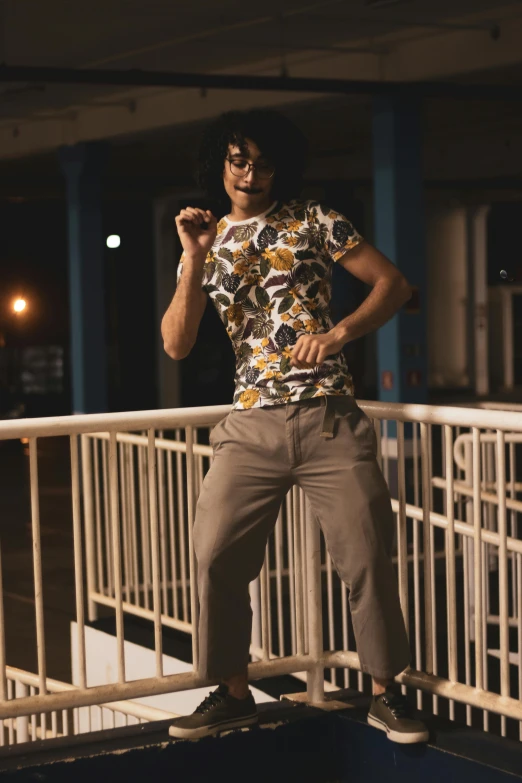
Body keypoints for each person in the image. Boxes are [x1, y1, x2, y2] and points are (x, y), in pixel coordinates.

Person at [162, 109, 429, 745]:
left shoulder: (314, 219)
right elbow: (176, 344)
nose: (251, 174)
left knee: (366, 555)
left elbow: (394, 286)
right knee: (214, 555)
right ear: (220, 166)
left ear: (281, 167)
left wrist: (337, 335)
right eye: (239, 161)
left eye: (263, 163)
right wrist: (193, 258)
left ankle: (386, 694)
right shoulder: (206, 243)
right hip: (249, 425)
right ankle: (231, 692)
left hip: (328, 415)